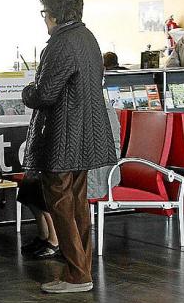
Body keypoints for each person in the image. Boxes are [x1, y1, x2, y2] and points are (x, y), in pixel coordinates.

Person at [22, 0, 117, 294]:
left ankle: (77, 274)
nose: (44, 19)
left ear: (54, 14)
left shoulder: (61, 44)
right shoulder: (88, 38)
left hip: (63, 138)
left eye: (44, 13)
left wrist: (27, 92)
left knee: (61, 204)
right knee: (77, 205)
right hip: (85, 135)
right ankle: (81, 270)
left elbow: (45, 94)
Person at [19, 103, 121, 259]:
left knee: (48, 185)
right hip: (77, 163)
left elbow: (92, 145)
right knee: (29, 184)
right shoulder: (77, 106)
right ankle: (44, 234)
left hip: (96, 170)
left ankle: (55, 240)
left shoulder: (99, 108)